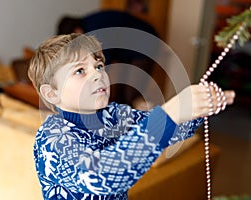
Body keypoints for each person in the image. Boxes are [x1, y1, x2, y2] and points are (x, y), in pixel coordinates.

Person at [28, 33, 235, 200]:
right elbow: (102, 176)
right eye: (80, 70)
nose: (97, 74)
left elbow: (171, 133)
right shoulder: (52, 138)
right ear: (52, 93)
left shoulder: (116, 115)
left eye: (99, 66)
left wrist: (198, 108)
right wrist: (171, 112)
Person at [56, 10, 159, 107]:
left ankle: (148, 118)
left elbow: (102, 63)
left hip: (144, 42)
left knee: (131, 95)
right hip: (128, 48)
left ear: (76, 31)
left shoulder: (94, 31)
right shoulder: (89, 24)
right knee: (120, 95)